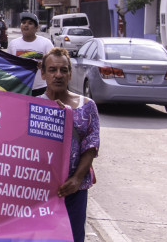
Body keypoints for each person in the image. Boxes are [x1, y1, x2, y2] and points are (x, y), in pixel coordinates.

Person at [38, 47, 99, 242]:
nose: (58, 75)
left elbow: (91, 145)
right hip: (39, 191)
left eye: (63, 70)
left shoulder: (87, 105)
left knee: (72, 236)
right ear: (43, 73)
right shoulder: (32, 105)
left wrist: (77, 179)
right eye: (52, 70)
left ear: (70, 74)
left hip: (74, 191)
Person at [7, 12, 53, 96]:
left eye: (30, 23)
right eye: (23, 23)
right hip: (19, 88)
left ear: (36, 27)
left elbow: (53, 64)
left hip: (40, 88)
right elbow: (8, 66)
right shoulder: (13, 44)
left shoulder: (46, 43)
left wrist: (43, 65)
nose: (26, 25)